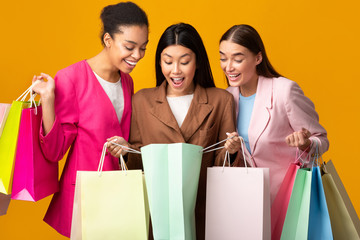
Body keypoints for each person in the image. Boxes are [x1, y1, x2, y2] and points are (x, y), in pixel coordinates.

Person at [107, 23, 240, 240]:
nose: (175, 70)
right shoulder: (141, 100)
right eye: (168, 61)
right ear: (160, 62)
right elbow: (139, 161)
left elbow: (223, 165)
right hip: (157, 218)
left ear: (197, 62)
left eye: (184, 61)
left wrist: (232, 150)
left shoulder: (220, 100)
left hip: (204, 215)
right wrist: (125, 149)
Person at [31, 2, 149, 237]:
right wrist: (48, 99)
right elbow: (55, 152)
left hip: (120, 191)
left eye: (143, 48)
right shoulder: (71, 78)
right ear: (108, 40)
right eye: (129, 46)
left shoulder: (127, 81)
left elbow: (124, 135)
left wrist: (126, 148)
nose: (137, 56)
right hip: (86, 197)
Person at [220, 24, 329, 203]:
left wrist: (306, 143)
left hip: (290, 198)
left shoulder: (284, 90)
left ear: (258, 58)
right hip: (250, 200)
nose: (228, 67)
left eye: (237, 59)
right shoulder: (227, 97)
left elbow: (322, 139)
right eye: (223, 58)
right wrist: (232, 150)